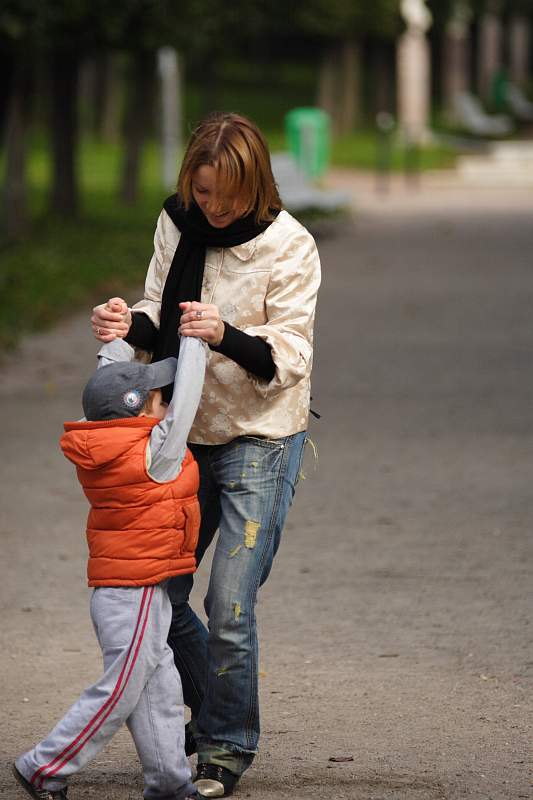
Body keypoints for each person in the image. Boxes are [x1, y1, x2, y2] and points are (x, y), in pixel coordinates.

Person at [90, 112, 321, 798]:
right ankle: (208, 709)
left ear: (256, 185)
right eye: (203, 193)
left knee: (231, 603)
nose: (214, 209)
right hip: (182, 431)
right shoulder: (178, 222)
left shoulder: (290, 245)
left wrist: (226, 333)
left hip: (259, 437)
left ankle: (224, 747)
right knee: (160, 588)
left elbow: (291, 355)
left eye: (227, 196)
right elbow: (157, 310)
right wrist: (124, 322)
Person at [13, 315, 206, 800]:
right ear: (139, 414)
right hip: (135, 592)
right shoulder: (153, 454)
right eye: (155, 400)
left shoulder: (108, 443)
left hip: (134, 589)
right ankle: (44, 765)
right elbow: (184, 406)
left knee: (159, 685)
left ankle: (169, 783)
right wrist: (196, 342)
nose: (165, 406)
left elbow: (110, 386)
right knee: (121, 689)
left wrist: (118, 343)